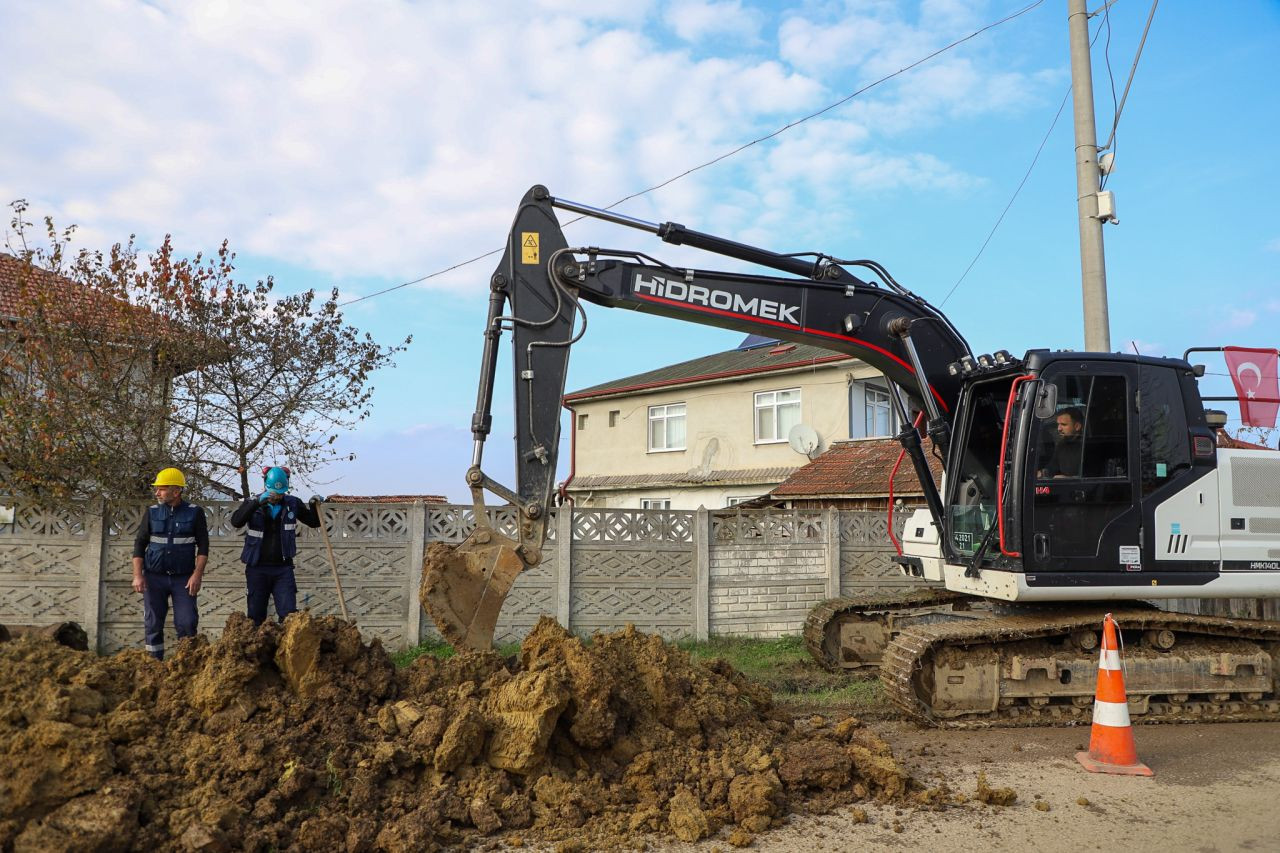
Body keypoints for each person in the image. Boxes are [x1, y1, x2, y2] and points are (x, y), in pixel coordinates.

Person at [132, 467, 209, 660]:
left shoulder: (195, 513)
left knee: (187, 622)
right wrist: (137, 575)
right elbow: (140, 543)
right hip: (154, 578)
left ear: (176, 491)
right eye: (156, 489)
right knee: (153, 623)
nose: (157, 493)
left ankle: (186, 665)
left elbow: (204, 547)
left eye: (161, 489)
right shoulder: (151, 512)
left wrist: (197, 575)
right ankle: (153, 665)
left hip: (183, 579)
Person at [230, 466, 322, 625]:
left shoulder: (293, 503)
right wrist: (256, 504)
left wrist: (314, 506)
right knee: (255, 616)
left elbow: (314, 522)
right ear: (266, 486)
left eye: (280, 493)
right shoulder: (253, 503)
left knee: (289, 616)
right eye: (273, 492)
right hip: (257, 567)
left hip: (283, 569)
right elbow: (236, 521)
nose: (276, 497)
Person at [1039, 406, 1085, 478]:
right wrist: (1042, 473)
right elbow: (1052, 467)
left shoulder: (1087, 446)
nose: (1059, 429)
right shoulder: (1062, 445)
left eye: (1063, 424)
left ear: (1077, 426)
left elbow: (1090, 476)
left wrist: (1069, 479)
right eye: (1058, 424)